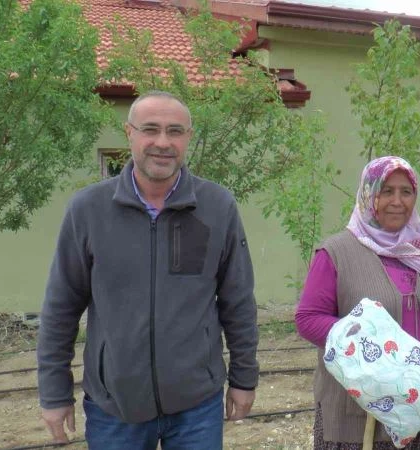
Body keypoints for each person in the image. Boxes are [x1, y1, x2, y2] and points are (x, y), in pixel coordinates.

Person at [37, 90, 259, 449]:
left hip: (197, 407)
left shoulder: (217, 207)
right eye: (150, 129)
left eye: (175, 131)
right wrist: (54, 393)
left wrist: (244, 378)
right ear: (129, 133)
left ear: (188, 137)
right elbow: (60, 307)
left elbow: (239, 302)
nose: (163, 142)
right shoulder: (88, 210)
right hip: (114, 408)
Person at [295, 156, 420, 449]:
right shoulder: (337, 252)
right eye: (386, 191)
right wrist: (370, 345)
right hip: (360, 414)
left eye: (406, 192)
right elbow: (308, 318)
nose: (397, 201)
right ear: (368, 194)